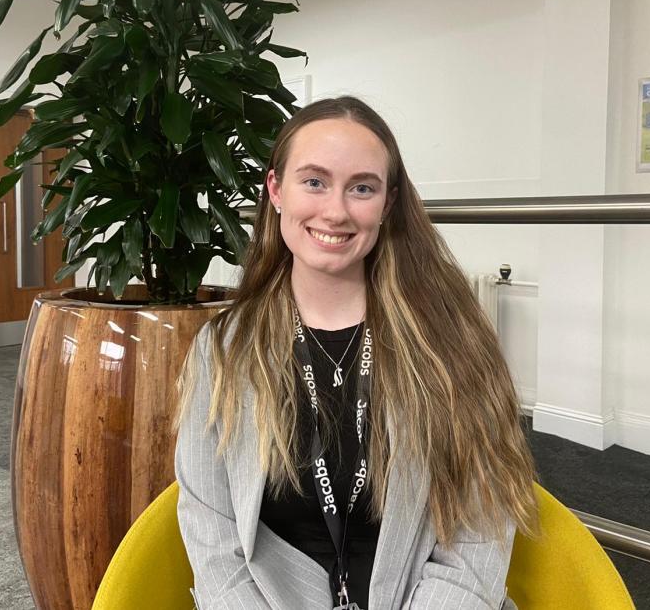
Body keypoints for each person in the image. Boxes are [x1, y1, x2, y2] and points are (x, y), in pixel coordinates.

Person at [175, 96, 539, 610]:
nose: (336, 211)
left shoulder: (453, 342)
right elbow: (211, 530)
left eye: (361, 188)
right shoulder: (223, 349)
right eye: (314, 181)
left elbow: (478, 536)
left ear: (388, 204)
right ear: (275, 190)